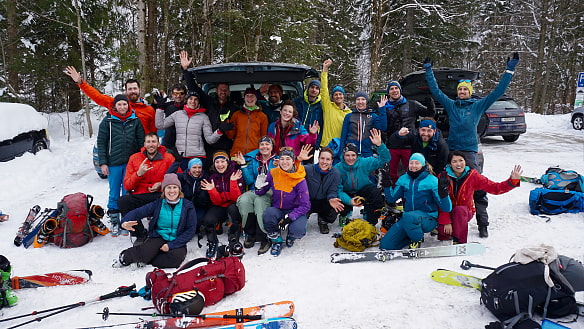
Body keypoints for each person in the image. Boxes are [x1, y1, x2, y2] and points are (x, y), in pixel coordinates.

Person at [424, 52, 520, 238]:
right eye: (460, 90)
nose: (462, 92)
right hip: (452, 151)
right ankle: (444, 222)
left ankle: (483, 223)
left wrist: (510, 69)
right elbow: (435, 91)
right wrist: (428, 71)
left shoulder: (478, 106)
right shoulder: (451, 105)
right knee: (445, 186)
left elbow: (498, 92)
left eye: (465, 90)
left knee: (478, 188)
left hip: (469, 152)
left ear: (469, 91)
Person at [113, 173, 197, 269]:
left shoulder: (187, 206)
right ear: (164, 190)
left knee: (175, 260)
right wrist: (125, 221)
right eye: (168, 188)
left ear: (179, 189)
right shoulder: (158, 204)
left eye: (175, 187)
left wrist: (170, 245)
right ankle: (124, 257)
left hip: (177, 239)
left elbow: (190, 230)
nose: (172, 191)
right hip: (159, 236)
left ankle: (148, 259)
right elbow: (137, 212)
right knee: (145, 252)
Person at [437, 151, 521, 243]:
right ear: (449, 164)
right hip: (446, 212)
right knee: (443, 234)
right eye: (454, 161)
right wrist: (446, 221)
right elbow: (439, 200)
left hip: (464, 212)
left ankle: (459, 241)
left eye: (461, 160)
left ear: (465, 162)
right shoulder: (442, 177)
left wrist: (513, 181)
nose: (458, 164)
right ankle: (447, 233)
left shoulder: (473, 176)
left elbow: (495, 188)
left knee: (459, 210)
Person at [380, 153, 452, 250]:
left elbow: (446, 208)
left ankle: (417, 239)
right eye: (411, 163)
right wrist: (387, 182)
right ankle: (410, 237)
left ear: (423, 165)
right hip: (408, 219)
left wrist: (444, 194)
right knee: (385, 245)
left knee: (409, 216)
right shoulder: (403, 179)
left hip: (428, 218)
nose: (413, 166)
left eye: (417, 163)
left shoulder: (432, 180)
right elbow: (391, 199)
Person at [96, 94, 145, 236]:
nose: (122, 107)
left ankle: (126, 220)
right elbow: (101, 143)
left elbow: (141, 141)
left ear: (128, 105)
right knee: (114, 192)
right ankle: (114, 220)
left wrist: (141, 160)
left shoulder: (135, 120)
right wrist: (103, 163)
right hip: (113, 163)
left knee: (128, 192)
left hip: (131, 163)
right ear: (115, 106)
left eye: (125, 104)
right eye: (119, 105)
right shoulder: (107, 121)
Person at [64, 66, 156, 134]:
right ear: (126, 91)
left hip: (141, 150)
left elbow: (153, 133)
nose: (133, 91)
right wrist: (80, 82)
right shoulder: (117, 104)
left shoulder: (149, 110)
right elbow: (97, 96)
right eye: (130, 89)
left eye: (135, 89)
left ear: (139, 90)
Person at [180, 51, 238, 158]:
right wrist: (185, 70)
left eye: (225, 90)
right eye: (221, 89)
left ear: (229, 92)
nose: (223, 92)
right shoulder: (209, 102)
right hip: (208, 145)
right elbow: (194, 88)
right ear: (216, 90)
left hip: (228, 146)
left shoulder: (234, 108)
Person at [118, 133, 175, 238]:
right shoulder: (134, 158)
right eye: (148, 142)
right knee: (123, 201)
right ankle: (139, 233)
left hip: (160, 194)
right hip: (141, 194)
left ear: (158, 144)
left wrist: (162, 184)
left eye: (154, 142)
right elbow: (127, 186)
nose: (151, 145)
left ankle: (161, 231)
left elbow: (176, 179)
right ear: (144, 144)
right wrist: (138, 174)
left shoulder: (168, 158)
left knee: (173, 200)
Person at [255, 147, 310, 256]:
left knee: (298, 229)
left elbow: (306, 205)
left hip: (294, 210)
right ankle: (276, 239)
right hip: (278, 209)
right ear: (278, 160)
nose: (284, 162)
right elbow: (263, 190)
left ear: (293, 160)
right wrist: (258, 187)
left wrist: (290, 217)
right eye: (282, 159)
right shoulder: (273, 173)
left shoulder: (299, 179)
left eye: (288, 159)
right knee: (268, 214)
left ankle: (292, 235)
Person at [379, 80, 435, 184]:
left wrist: (428, 98)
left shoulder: (412, 104)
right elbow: (383, 127)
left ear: (400, 90)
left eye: (396, 88)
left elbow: (430, 113)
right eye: (391, 89)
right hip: (392, 145)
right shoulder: (385, 107)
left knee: (411, 171)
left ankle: (408, 193)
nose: (394, 91)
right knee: (392, 173)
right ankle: (393, 194)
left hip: (409, 145)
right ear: (388, 92)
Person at [155, 90, 222, 171]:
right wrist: (160, 108)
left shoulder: (203, 117)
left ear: (198, 102)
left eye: (196, 99)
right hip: (181, 157)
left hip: (197, 157)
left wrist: (220, 131)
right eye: (190, 99)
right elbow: (160, 125)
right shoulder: (178, 114)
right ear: (186, 100)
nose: (193, 101)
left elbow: (210, 139)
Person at [336, 129, 390, 226]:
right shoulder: (338, 168)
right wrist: (349, 201)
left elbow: (385, 159)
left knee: (375, 194)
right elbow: (338, 190)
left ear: (357, 155)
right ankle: (344, 214)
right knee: (337, 197)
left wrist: (379, 145)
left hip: (362, 189)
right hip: (346, 192)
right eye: (347, 155)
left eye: (353, 155)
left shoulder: (364, 162)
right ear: (343, 156)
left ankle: (370, 216)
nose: (350, 158)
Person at [234, 136, 278, 254]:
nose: (264, 147)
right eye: (262, 144)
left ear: (272, 147)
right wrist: (243, 165)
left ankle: (264, 236)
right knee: (244, 200)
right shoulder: (254, 160)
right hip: (255, 189)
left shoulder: (277, 160)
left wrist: (279, 168)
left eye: (267, 144)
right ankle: (250, 233)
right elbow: (249, 181)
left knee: (260, 202)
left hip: (270, 191)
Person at [200, 151, 244, 258]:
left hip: (232, 205)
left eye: (222, 161)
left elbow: (237, 198)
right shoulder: (213, 178)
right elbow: (217, 202)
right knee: (208, 220)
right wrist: (212, 190)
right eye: (217, 162)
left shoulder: (235, 174)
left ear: (227, 162)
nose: (220, 165)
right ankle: (212, 241)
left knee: (233, 210)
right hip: (220, 205)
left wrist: (233, 182)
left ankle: (233, 237)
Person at [298, 144, 343, 234]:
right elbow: (293, 170)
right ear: (318, 159)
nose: (324, 162)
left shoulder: (335, 173)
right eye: (322, 158)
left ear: (331, 161)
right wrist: (298, 160)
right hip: (307, 201)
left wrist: (331, 198)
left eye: (328, 159)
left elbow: (332, 190)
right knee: (298, 226)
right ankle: (303, 217)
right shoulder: (308, 169)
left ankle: (322, 220)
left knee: (334, 208)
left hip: (323, 201)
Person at [339, 92, 387, 158]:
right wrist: (341, 154)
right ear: (355, 101)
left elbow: (383, 127)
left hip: (367, 152)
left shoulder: (372, 116)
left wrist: (382, 109)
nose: (360, 102)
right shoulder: (349, 116)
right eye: (358, 99)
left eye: (363, 99)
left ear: (366, 101)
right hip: (351, 153)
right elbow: (343, 136)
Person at [225, 87, 269, 158]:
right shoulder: (236, 114)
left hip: (254, 154)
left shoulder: (262, 116)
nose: (249, 99)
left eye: (252, 96)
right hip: (237, 153)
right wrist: (225, 124)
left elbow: (263, 138)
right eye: (247, 96)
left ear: (256, 98)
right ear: (244, 98)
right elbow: (231, 136)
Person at [320, 59, 352, 148]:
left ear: (343, 96)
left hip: (341, 147)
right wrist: (325, 69)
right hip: (327, 146)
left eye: (340, 94)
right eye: (335, 94)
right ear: (333, 97)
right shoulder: (328, 107)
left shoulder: (349, 113)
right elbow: (324, 90)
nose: (338, 96)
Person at [152, 83, 187, 161]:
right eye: (175, 93)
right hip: (169, 142)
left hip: (184, 143)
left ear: (185, 94)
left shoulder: (189, 106)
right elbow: (155, 111)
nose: (178, 96)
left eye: (181, 93)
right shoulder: (169, 105)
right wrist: (155, 104)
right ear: (172, 94)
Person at [176, 158, 212, 224]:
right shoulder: (181, 177)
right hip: (184, 204)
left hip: (199, 205)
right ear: (189, 168)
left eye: (199, 167)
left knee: (197, 222)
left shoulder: (206, 178)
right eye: (194, 167)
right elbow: (167, 176)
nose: (197, 170)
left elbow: (206, 199)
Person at [294, 79, 323, 146]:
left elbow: (322, 126)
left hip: (311, 140)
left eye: (317, 88)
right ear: (308, 88)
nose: (314, 90)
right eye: (312, 87)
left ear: (319, 91)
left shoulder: (321, 106)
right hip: (296, 137)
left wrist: (317, 143)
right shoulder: (298, 102)